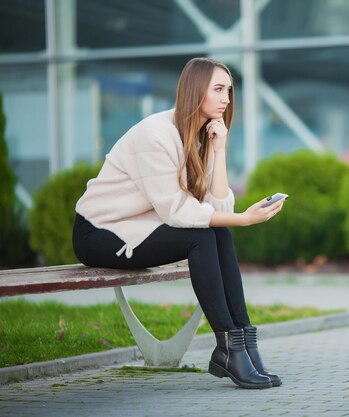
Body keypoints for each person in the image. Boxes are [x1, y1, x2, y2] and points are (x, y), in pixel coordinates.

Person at [72, 57, 285, 390]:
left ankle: (242, 342)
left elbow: (217, 207)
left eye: (229, 90)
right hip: (100, 231)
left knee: (218, 232)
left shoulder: (203, 135)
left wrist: (219, 149)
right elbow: (176, 211)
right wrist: (244, 219)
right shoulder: (155, 134)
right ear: (194, 90)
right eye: (218, 89)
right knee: (200, 238)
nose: (227, 98)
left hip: (141, 225)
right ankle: (228, 347)